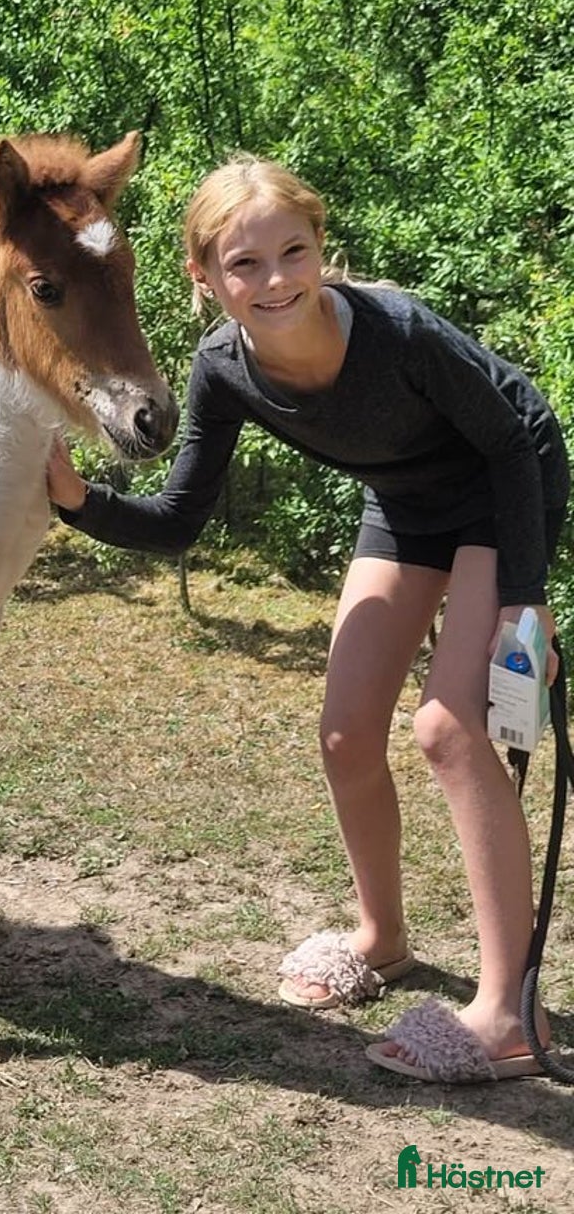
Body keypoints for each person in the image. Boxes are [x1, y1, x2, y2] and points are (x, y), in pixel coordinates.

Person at [47, 153, 569, 1083]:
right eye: (244, 264)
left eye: (294, 252)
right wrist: (76, 500)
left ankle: (506, 1017)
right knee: (344, 733)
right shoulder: (221, 370)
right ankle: (383, 938)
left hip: (504, 487)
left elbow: (510, 443)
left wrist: (523, 608)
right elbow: (176, 523)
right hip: (406, 506)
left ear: (323, 249)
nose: (275, 279)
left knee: (450, 731)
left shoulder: (399, 334)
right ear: (203, 278)